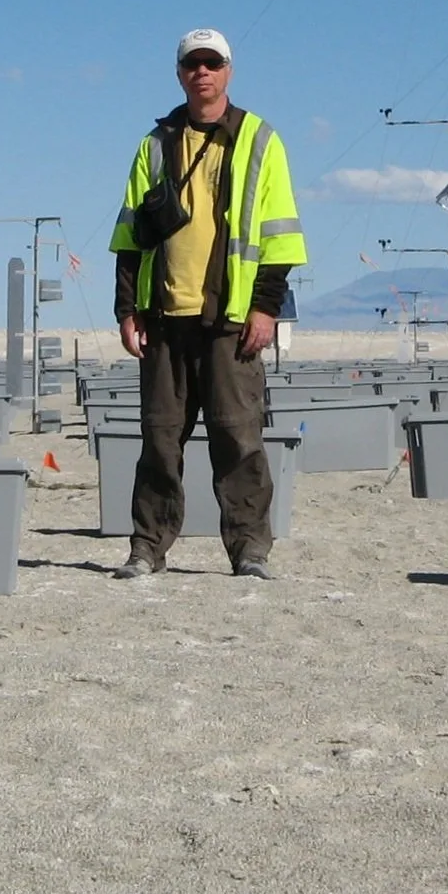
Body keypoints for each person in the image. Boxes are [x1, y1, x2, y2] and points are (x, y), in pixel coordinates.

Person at [107, 28, 307, 579]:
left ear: (228, 71)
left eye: (212, 63)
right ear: (180, 74)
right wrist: (128, 309)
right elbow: (130, 235)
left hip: (231, 322)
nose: (203, 73)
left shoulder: (260, 140)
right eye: (193, 64)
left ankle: (249, 551)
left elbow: (280, 237)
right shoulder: (154, 145)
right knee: (159, 441)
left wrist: (266, 308)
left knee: (239, 439)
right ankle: (147, 547)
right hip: (165, 320)